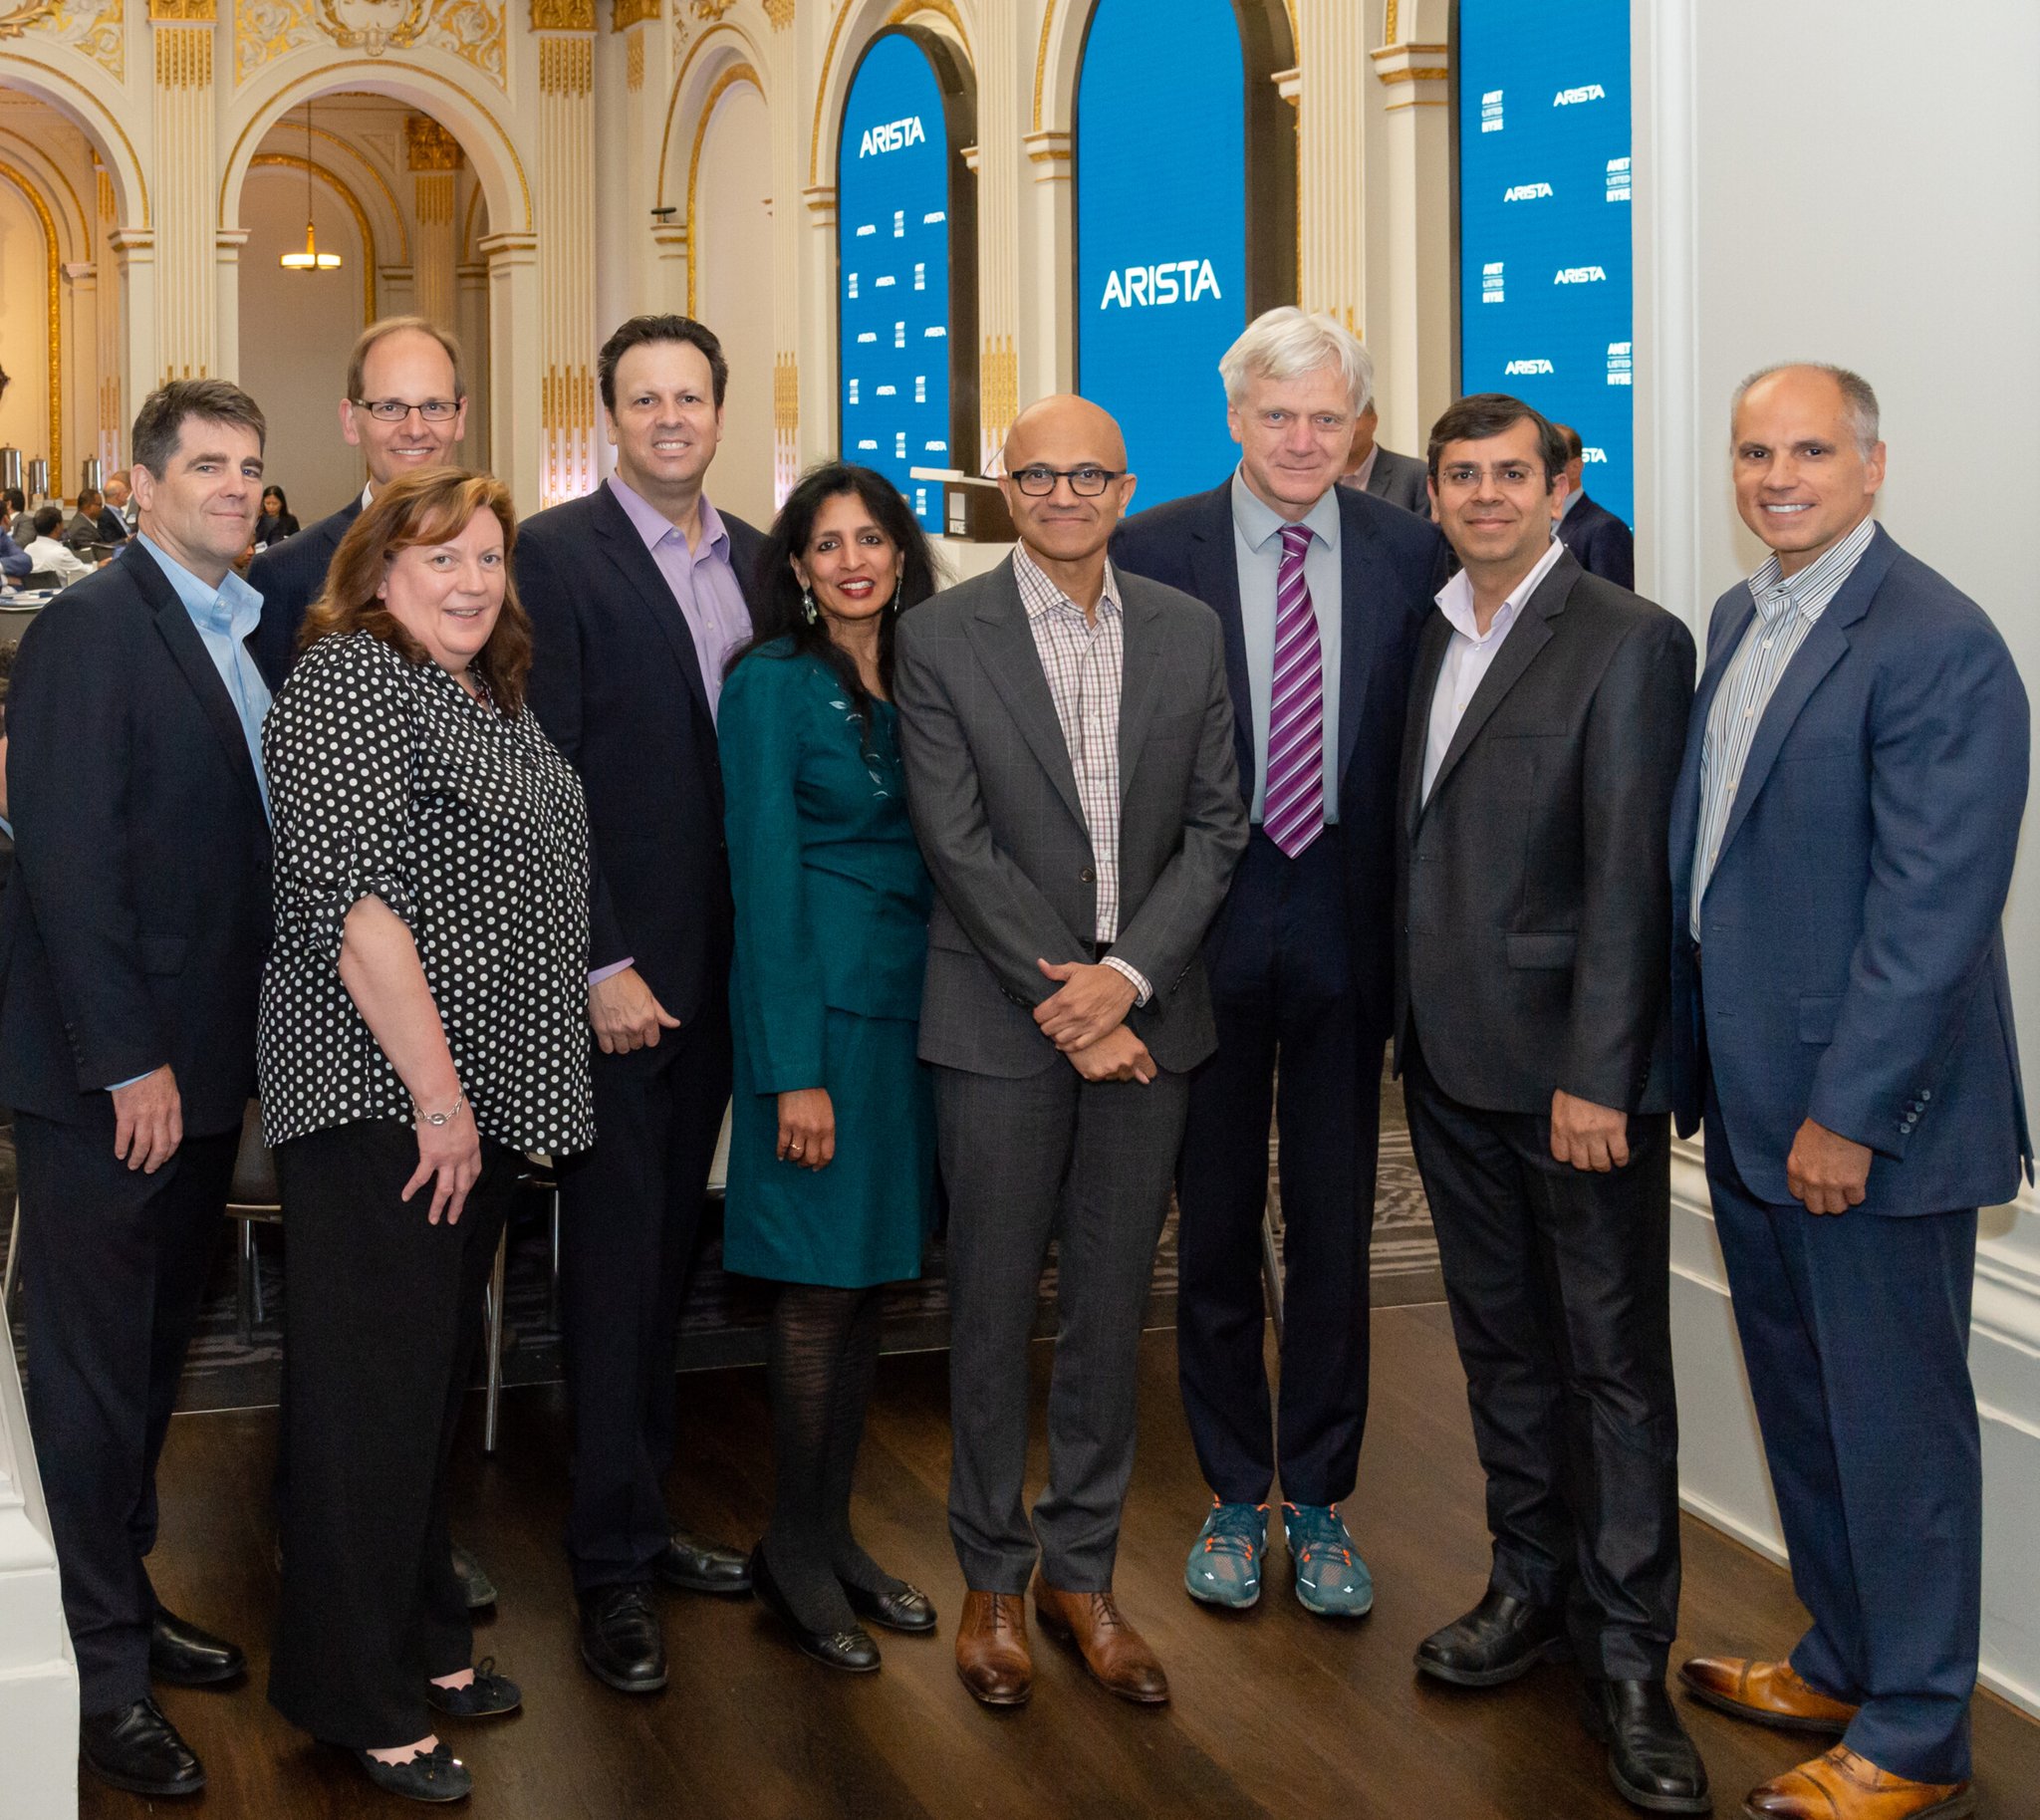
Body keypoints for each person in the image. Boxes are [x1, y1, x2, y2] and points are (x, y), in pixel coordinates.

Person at [1670, 365, 2029, 1820]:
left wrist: (1848, 1112)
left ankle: (1921, 1726)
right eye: (1756, 450)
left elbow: (1934, 912)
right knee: (1808, 1411)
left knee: (1897, 1428)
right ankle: (1844, 1654)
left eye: (1811, 450)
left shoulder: (1941, 641)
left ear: (1874, 465)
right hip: (1752, 1107)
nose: (1778, 475)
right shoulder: (1743, 615)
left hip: (1863, 1126)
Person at [894, 394, 1247, 1711]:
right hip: (1000, 1020)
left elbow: (1219, 826)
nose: (1060, 492)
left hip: (1151, 1014)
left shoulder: (1186, 629)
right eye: (1035, 472)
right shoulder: (941, 635)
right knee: (990, 1302)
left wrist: (1127, 983)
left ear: (1124, 484)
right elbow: (956, 838)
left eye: (1086, 472)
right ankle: (991, 1571)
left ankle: (1080, 1570)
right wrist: (1071, 1001)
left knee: (1108, 1304)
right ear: (1003, 486)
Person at [260, 467, 594, 1802]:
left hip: (467, 1107)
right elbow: (358, 913)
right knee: (367, 1404)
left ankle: (427, 1636)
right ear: (376, 568)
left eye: (487, 557)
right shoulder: (350, 678)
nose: (468, 580)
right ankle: (358, 1690)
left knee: (426, 1392)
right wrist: (441, 1097)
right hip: (383, 1104)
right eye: (436, 555)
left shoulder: (482, 687)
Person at [1395, 392, 1707, 1813]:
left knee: (1612, 1365)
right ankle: (1527, 1583)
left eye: (1511, 474)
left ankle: (1630, 1653)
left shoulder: (1631, 641)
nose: (1483, 496)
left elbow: (1632, 876)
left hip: (1571, 1081)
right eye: (1460, 475)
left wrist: (1604, 1070)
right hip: (1448, 1069)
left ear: (1562, 483)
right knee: (1503, 1351)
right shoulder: (1431, 626)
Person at [1112, 309, 1446, 1618]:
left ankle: (1316, 1490)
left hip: (1345, 932)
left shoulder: (1413, 553)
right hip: (1198, 928)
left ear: (1356, 428)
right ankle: (1229, 1480)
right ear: (1235, 418)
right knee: (1207, 1230)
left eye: (1328, 419)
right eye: (1278, 416)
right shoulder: (1149, 550)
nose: (1303, 441)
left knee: (1333, 1224)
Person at [0, 380, 275, 1800]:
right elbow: (67, 863)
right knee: (97, 1373)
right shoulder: (93, 630)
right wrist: (130, 1059)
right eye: (207, 466)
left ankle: (128, 1589)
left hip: (206, 1065)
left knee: (158, 1351)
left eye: (249, 466)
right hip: (114, 1075)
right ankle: (98, 1666)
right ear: (139, 487)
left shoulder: (241, 626)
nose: (235, 486)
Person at [518, 313, 761, 1693]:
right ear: (610, 416)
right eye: (644, 397)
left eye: (690, 395)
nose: (670, 416)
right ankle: (607, 1561)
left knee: (673, 1260)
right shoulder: (552, 560)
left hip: (730, 979)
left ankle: (647, 1513)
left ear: (721, 412)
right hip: (616, 984)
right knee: (611, 1272)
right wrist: (599, 960)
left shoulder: (768, 561)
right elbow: (545, 784)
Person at [719, 463, 943, 1672]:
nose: (851, 560)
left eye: (871, 539)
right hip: (819, 1032)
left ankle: (828, 1533)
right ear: (797, 569)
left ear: (900, 557)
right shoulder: (768, 685)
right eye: (826, 544)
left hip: (914, 1024)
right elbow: (761, 881)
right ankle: (791, 1555)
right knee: (814, 1294)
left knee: (866, 1293)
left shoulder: (921, 673)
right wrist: (789, 1070)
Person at [247, 315, 469, 690]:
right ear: (351, 421)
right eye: (389, 407)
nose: (415, 429)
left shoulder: (503, 566)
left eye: (434, 407)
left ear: (459, 417)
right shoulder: (287, 574)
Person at [1551, 423, 1636, 589]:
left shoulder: (1606, 529)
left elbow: (1615, 606)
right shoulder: (1530, 524)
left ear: (1575, 467)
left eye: (1551, 459)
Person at [1339, 398, 1430, 515]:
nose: (1344, 429)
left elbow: (1427, 532)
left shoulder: (1415, 475)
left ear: (1373, 421)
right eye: (1332, 420)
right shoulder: (1314, 476)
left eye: (1353, 419)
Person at [20, 504, 95, 585]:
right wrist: (98, 566)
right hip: (60, 595)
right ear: (58, 526)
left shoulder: (28, 550)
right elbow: (86, 573)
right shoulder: (61, 553)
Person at [62, 486, 113, 552]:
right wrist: (123, 542)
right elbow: (97, 551)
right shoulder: (81, 528)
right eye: (99, 505)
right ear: (88, 505)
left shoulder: (85, 522)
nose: (101, 508)